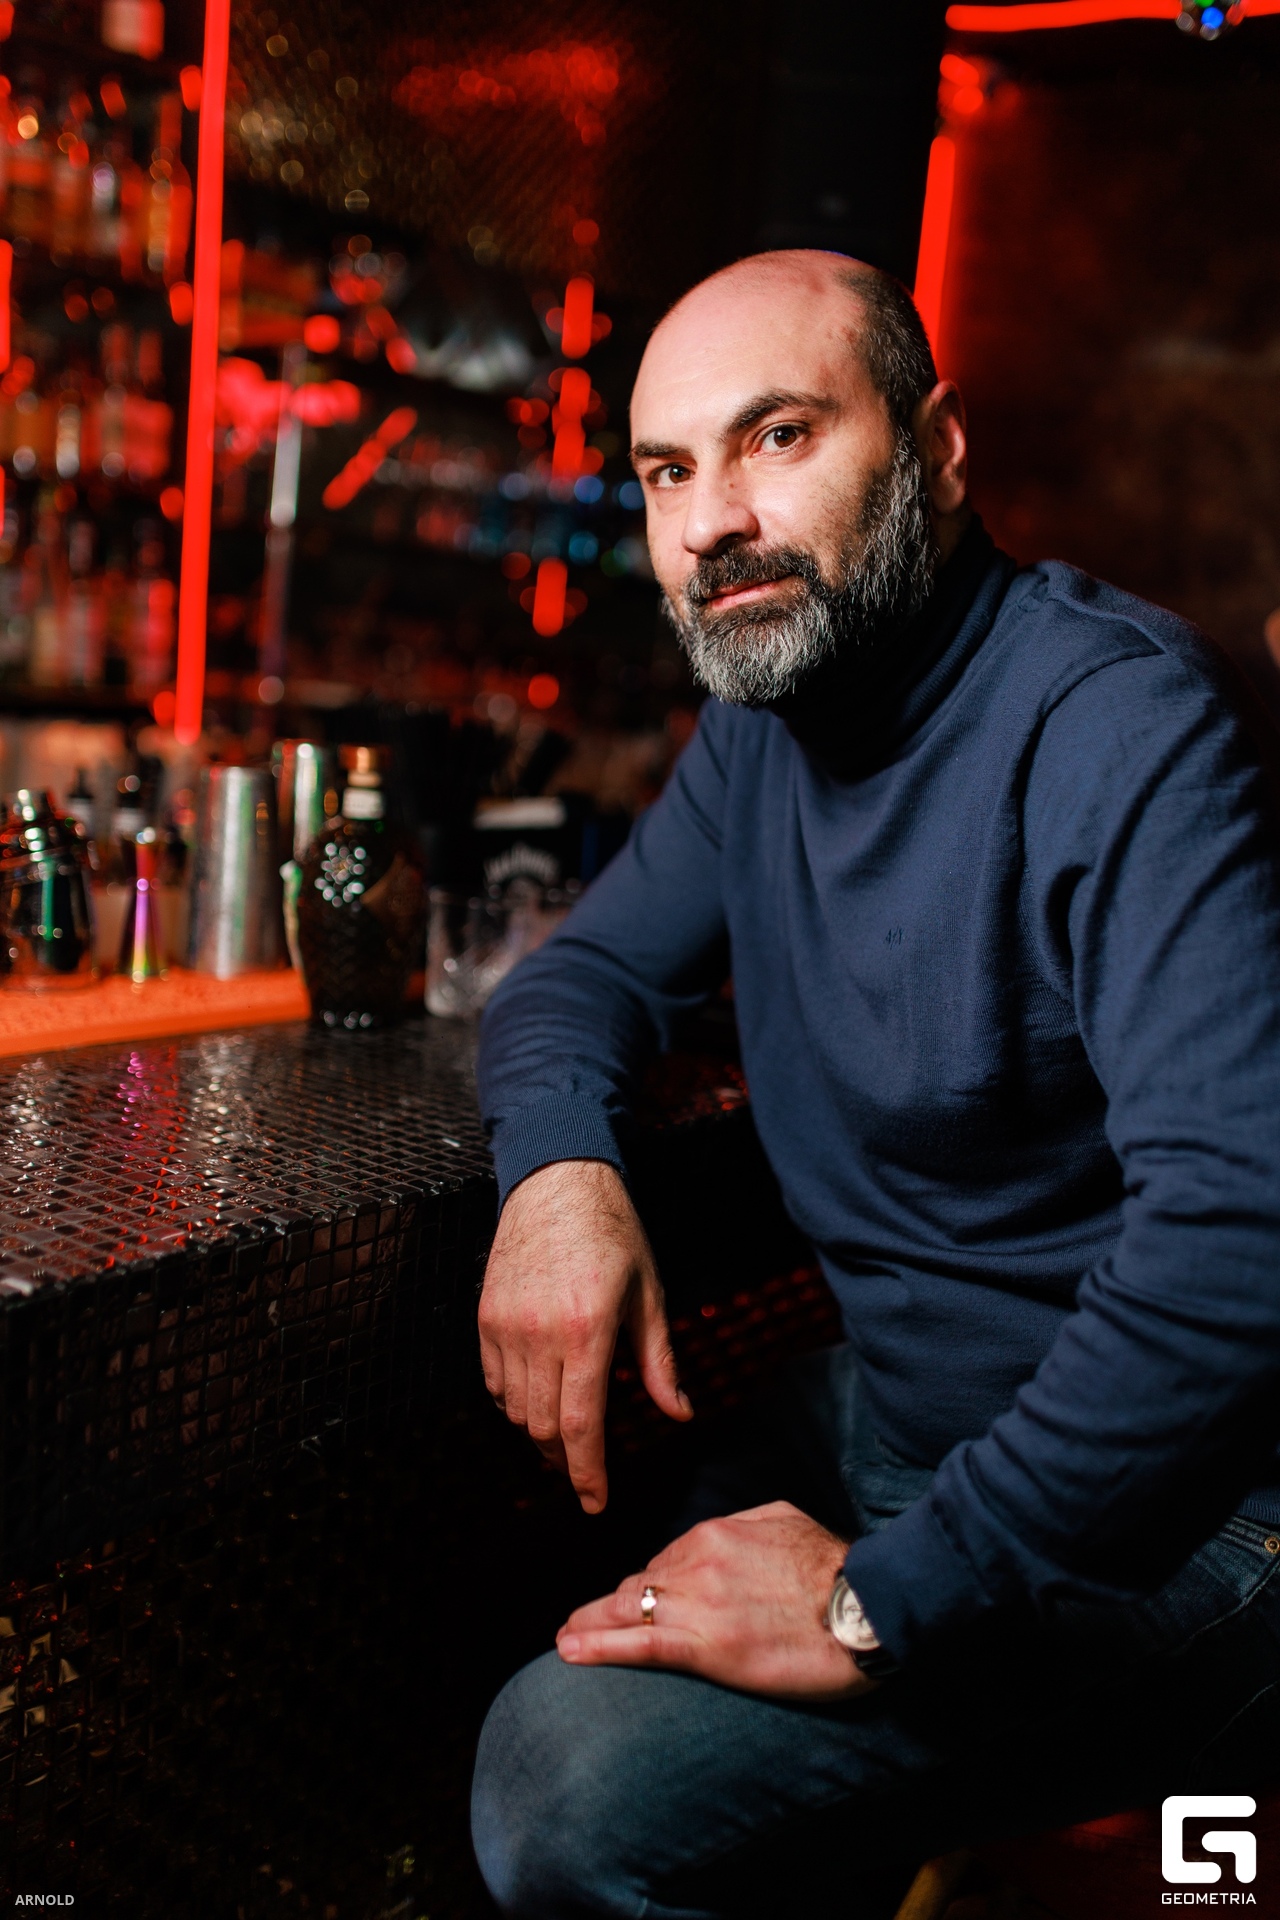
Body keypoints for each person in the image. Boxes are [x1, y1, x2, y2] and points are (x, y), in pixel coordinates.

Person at [469, 250, 1280, 1918]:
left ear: (937, 447)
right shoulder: (769, 722)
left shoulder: (1123, 727)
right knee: (505, 1525)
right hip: (904, 1421)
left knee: (566, 1782)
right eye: (668, 471)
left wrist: (878, 1603)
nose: (714, 522)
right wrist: (558, 1176)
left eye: (778, 436)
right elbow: (578, 976)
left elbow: (1240, 1245)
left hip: (1188, 1509)